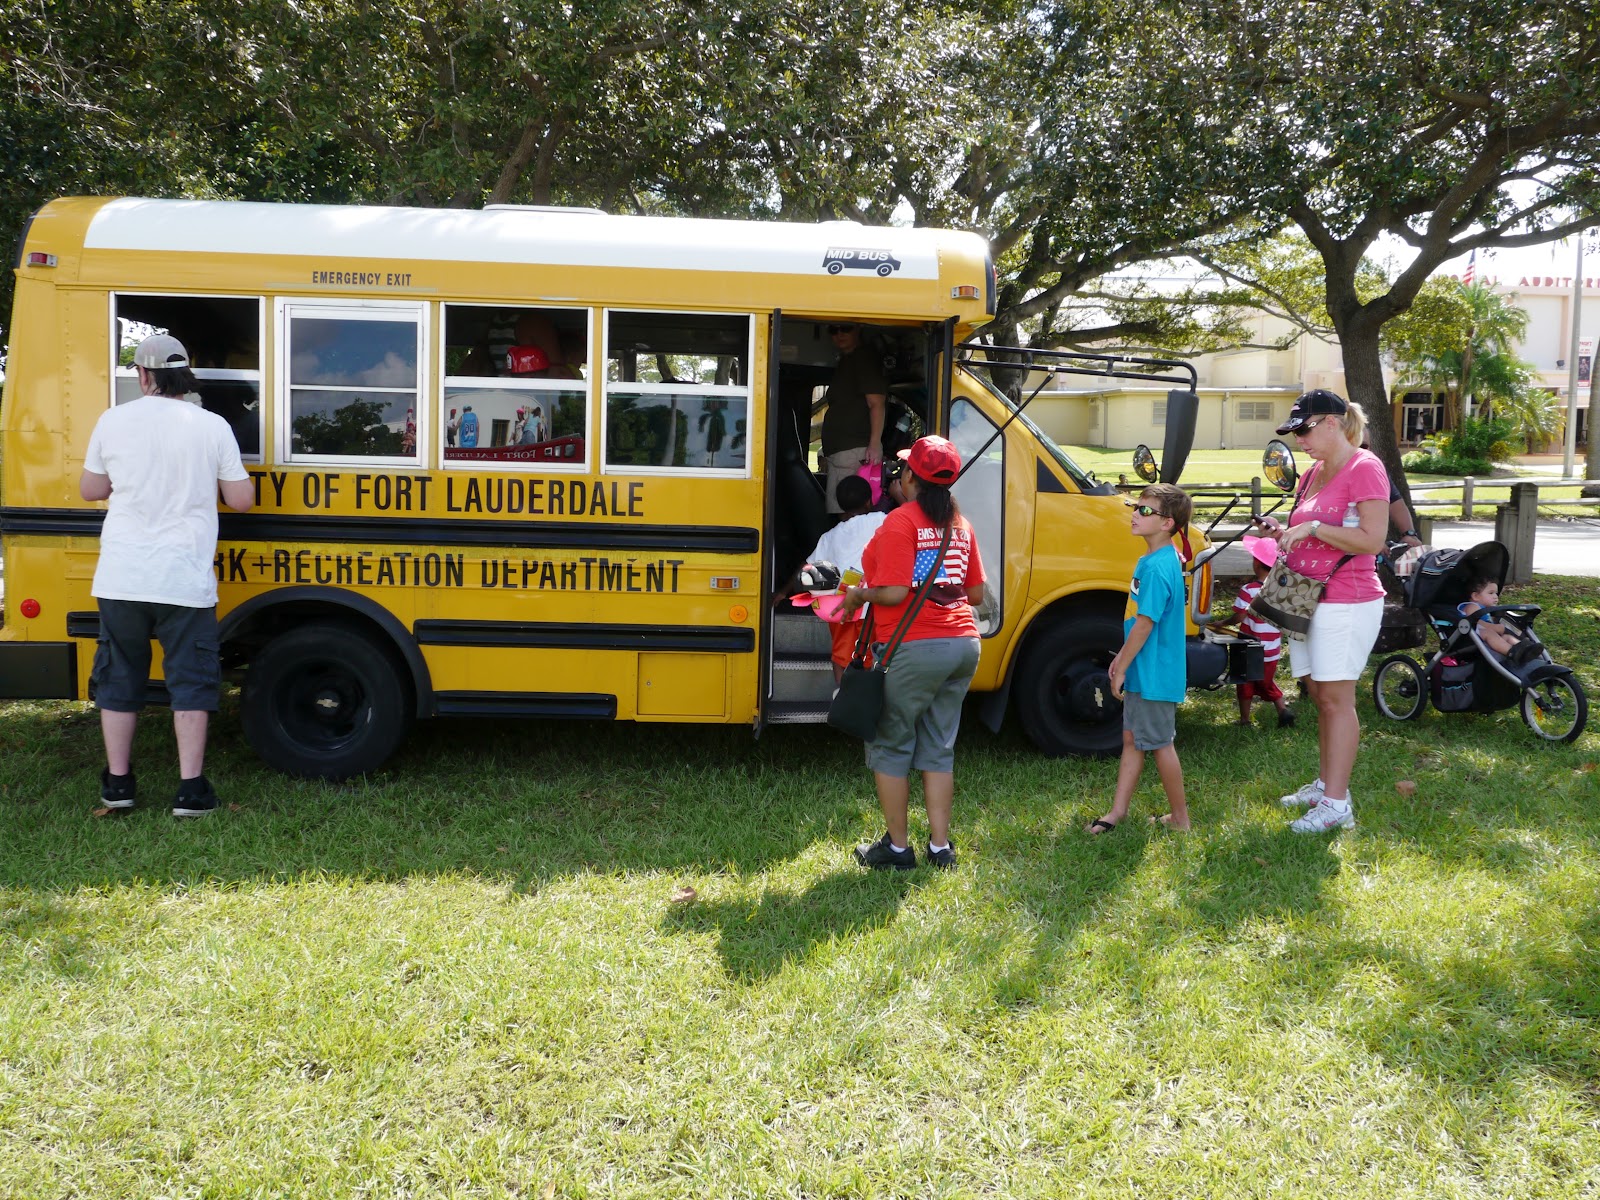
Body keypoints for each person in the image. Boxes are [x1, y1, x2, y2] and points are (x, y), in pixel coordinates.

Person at [79, 334, 254, 817]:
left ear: (143, 375)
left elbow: (91, 489)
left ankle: (119, 784)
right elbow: (241, 500)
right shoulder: (212, 426)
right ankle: (191, 790)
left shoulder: (112, 420)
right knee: (190, 680)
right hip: (184, 578)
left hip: (122, 576)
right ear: (184, 375)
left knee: (119, 676)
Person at [837, 436, 985, 870]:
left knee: (891, 743)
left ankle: (899, 850)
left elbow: (895, 592)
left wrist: (859, 595)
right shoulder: (961, 524)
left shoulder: (900, 522)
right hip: (964, 644)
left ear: (910, 478)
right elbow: (975, 594)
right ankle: (940, 848)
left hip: (916, 647)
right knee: (938, 746)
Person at [1265, 389, 1389, 833]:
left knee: (1336, 701)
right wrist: (1283, 531)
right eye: (1294, 433)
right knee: (1320, 696)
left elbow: (1373, 540)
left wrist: (1314, 527)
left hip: (1347, 600)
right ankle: (1326, 785)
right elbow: (1308, 529)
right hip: (1307, 597)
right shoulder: (1314, 472)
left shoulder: (1365, 467)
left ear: (1332, 423)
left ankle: (1337, 806)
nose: (1299, 440)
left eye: (1304, 430)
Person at [1087, 483, 1193, 834]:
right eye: (1136, 506)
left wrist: (1122, 666)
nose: (1135, 514)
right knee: (1133, 738)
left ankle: (1180, 819)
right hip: (1143, 668)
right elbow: (1139, 620)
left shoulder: (1159, 566)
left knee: (1161, 744)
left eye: (1145, 510)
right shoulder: (1153, 560)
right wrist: (1123, 659)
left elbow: (1146, 623)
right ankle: (1118, 812)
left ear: (1167, 523)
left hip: (1154, 674)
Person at [804, 474, 887, 683]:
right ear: (869, 501)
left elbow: (811, 571)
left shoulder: (829, 537)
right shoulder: (879, 519)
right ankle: (867, 695)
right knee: (871, 657)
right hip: (872, 605)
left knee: (840, 656)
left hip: (840, 608)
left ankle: (841, 694)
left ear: (840, 505)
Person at [1211, 535, 1295, 728]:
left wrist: (1222, 623)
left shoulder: (1248, 590)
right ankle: (1282, 710)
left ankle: (1245, 719)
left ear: (1256, 563)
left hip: (1249, 646)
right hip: (1272, 648)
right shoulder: (1282, 591)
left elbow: (1239, 617)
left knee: (1245, 681)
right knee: (1266, 681)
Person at [818, 322, 888, 515]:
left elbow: (876, 403)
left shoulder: (864, 358)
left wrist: (874, 444)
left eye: (846, 328)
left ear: (858, 329)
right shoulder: (847, 360)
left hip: (855, 453)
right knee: (841, 514)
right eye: (833, 330)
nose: (839, 334)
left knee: (851, 515)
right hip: (841, 454)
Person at [1459, 577, 1539, 662]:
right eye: (1491, 593)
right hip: (1470, 636)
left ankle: (1526, 650)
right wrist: (1493, 627)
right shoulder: (1472, 606)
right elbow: (1473, 621)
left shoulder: (1485, 609)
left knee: (1507, 637)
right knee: (1490, 633)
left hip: (1485, 636)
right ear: (1475, 596)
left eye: (1496, 593)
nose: (1495, 597)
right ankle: (1512, 653)